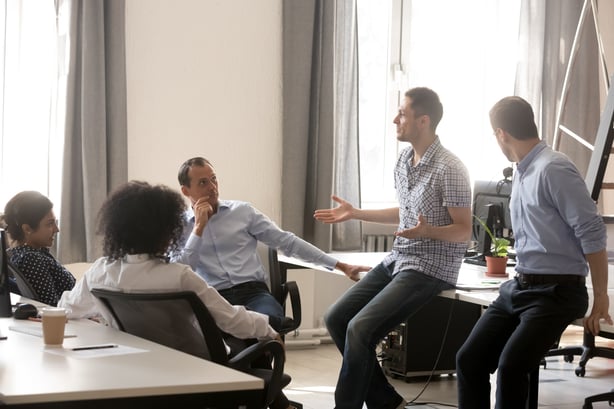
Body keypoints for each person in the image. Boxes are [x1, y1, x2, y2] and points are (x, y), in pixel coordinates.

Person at [313, 87, 473, 409]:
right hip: (400, 258)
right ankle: (386, 402)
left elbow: (464, 231)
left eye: (402, 113)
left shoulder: (450, 167)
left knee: (360, 328)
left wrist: (429, 231)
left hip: (431, 267)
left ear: (423, 121)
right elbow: (404, 212)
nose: (394, 119)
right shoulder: (404, 160)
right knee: (337, 318)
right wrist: (355, 212)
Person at [455, 96, 613, 408]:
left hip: (558, 291)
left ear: (501, 134)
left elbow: (592, 233)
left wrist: (601, 297)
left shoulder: (554, 169)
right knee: (469, 359)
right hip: (520, 286)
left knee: (512, 367)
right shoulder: (523, 172)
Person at [58, 181, 278, 342]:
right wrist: (269, 331)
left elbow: (67, 309)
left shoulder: (101, 271)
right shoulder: (179, 276)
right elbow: (231, 320)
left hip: (135, 367)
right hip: (193, 369)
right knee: (255, 340)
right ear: (167, 232)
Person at [172, 157, 371, 332]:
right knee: (210, 333)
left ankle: (268, 371)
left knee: (269, 324)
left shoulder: (242, 212)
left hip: (253, 292)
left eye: (214, 179)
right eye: (203, 182)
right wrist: (199, 227)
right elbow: (181, 268)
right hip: (213, 297)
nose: (212, 187)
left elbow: (288, 242)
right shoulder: (179, 226)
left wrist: (340, 266)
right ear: (185, 190)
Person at [1, 191, 75, 306]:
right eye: (50, 224)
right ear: (27, 229)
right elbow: (50, 307)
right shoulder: (31, 258)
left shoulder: (28, 254)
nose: (57, 229)